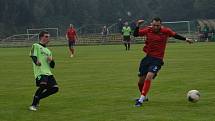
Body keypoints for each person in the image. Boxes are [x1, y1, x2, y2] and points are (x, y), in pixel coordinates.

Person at [133, 17, 193, 107]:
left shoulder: (166, 31)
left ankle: (141, 100)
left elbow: (175, 35)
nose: (156, 27)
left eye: (158, 25)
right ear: (151, 24)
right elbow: (136, 34)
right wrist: (137, 25)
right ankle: (144, 97)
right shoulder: (148, 30)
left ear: (161, 25)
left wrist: (186, 39)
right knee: (140, 82)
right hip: (147, 58)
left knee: (148, 77)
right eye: (154, 25)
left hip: (157, 59)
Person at [29, 31, 59, 111]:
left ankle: (37, 97)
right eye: (46, 36)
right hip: (40, 71)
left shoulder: (49, 51)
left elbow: (52, 66)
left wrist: (52, 60)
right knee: (43, 85)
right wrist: (36, 62)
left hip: (48, 72)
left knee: (55, 88)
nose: (48, 38)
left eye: (48, 37)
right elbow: (32, 55)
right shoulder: (36, 46)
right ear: (41, 37)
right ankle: (33, 105)